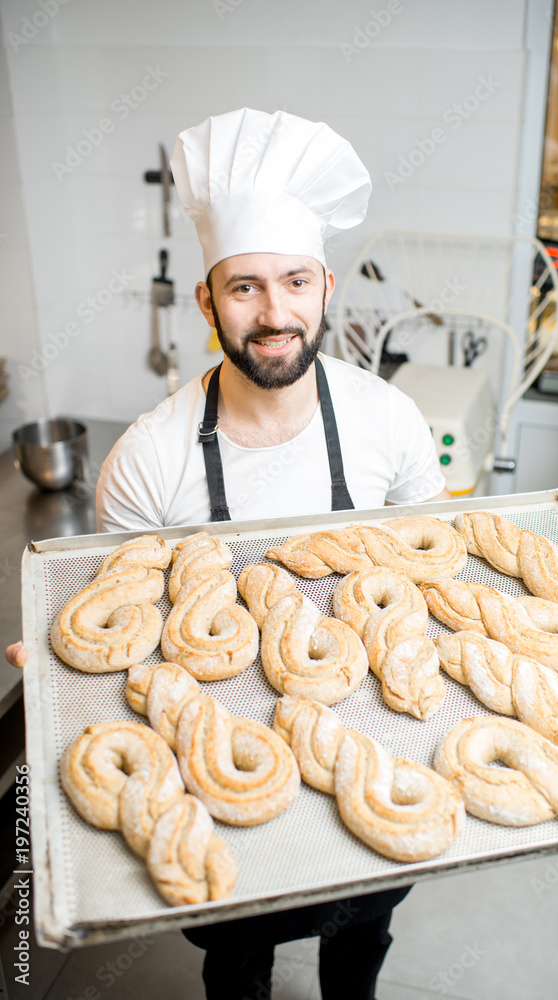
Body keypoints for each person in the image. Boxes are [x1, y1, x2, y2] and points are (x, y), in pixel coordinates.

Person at [6, 108, 449, 1000]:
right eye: (243, 288)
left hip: (375, 742)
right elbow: (116, 612)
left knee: (363, 927)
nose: (274, 313)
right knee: (236, 952)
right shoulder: (150, 455)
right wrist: (61, 670)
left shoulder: (389, 422)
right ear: (207, 301)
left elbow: (429, 570)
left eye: (293, 282)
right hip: (222, 764)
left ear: (327, 288)